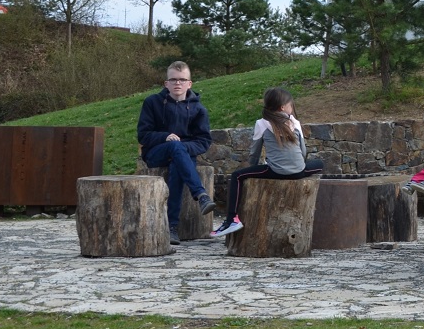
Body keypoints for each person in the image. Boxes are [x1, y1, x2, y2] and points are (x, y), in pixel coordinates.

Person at [212, 88, 323, 238]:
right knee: (320, 164)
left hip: (275, 171)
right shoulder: (295, 122)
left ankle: (232, 219)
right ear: (283, 107)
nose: (292, 108)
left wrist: (253, 169)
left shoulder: (262, 123)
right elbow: (303, 152)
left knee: (237, 176)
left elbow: (254, 153)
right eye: (291, 105)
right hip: (299, 172)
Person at [137, 60, 215, 244]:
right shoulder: (152, 103)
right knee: (175, 148)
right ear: (166, 83)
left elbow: (203, 141)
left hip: (183, 155)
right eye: (173, 80)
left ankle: (171, 227)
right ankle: (201, 195)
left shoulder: (198, 109)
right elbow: (143, 135)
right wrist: (165, 137)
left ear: (190, 83)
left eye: (182, 79)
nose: (177, 83)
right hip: (156, 152)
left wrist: (182, 147)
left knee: (178, 166)